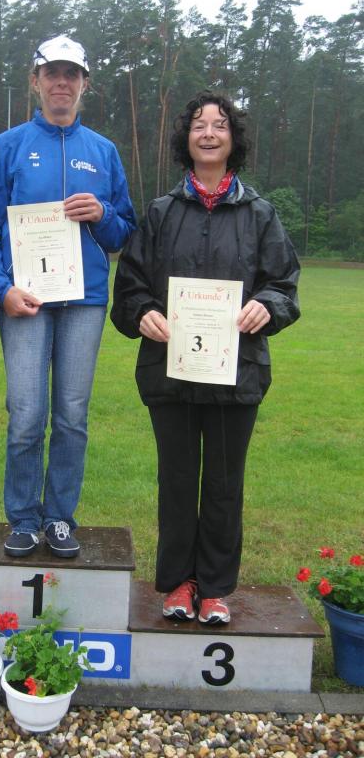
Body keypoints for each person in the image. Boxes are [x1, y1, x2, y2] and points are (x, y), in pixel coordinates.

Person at [111, 91, 300, 624]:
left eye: (219, 125)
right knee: (175, 482)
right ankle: (177, 583)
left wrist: (267, 306)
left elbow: (284, 284)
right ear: (186, 139)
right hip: (169, 373)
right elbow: (129, 288)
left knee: (222, 485)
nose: (209, 133)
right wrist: (144, 312)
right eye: (199, 125)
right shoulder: (161, 212)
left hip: (236, 375)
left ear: (233, 139)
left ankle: (215, 589)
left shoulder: (260, 213)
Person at [0, 35, 136, 559]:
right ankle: (23, 518)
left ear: (85, 84)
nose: (62, 82)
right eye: (52, 73)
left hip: (84, 301)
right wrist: (0, 290)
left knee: (71, 415)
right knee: (25, 414)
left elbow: (124, 232)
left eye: (72, 74)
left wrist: (102, 214)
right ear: (36, 81)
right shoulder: (9, 145)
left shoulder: (103, 151)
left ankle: (60, 516)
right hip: (25, 300)